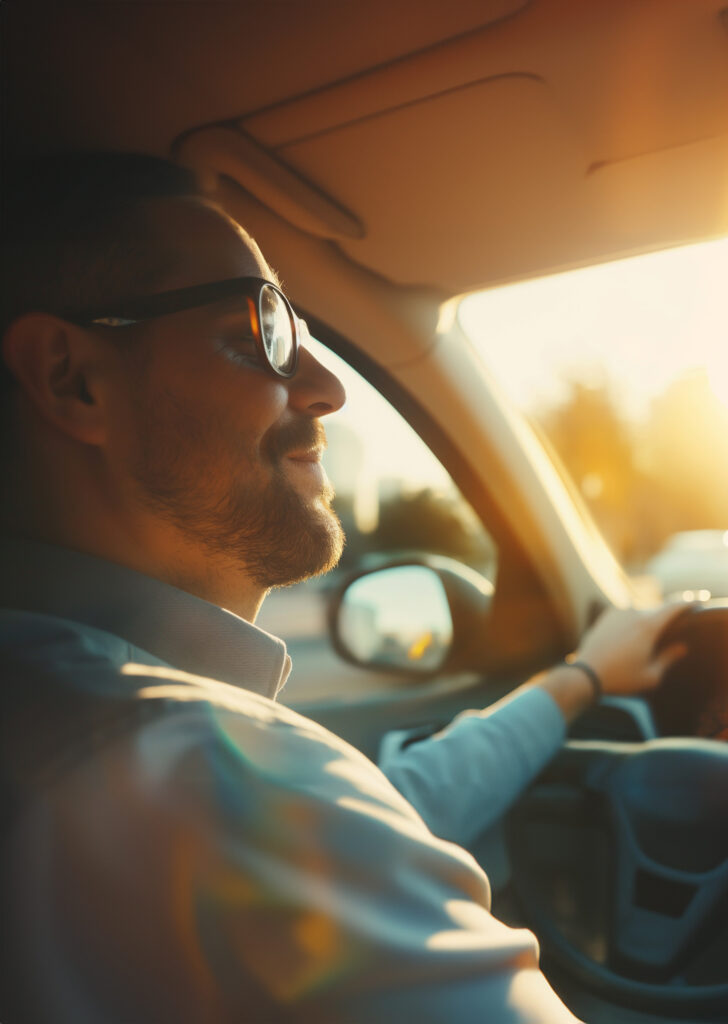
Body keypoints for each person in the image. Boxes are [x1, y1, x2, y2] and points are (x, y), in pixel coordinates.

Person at [0, 152, 688, 1023]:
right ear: (71, 378)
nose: (327, 387)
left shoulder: (129, 743)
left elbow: (381, 808)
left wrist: (577, 681)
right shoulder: (193, 769)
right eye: (264, 328)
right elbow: (311, 814)